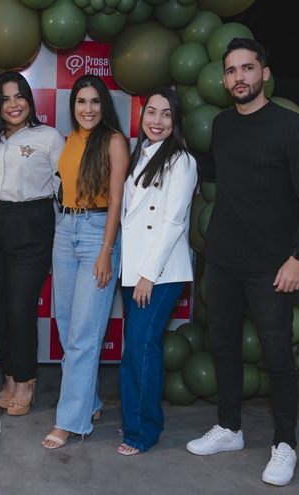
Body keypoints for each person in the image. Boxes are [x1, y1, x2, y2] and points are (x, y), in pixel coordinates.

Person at [185, 38, 299, 486]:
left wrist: (298, 256)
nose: (238, 77)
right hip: (223, 260)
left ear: (264, 73)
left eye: (247, 68)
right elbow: (222, 175)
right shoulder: (223, 125)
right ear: (224, 79)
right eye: (231, 70)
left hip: (272, 265)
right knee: (223, 346)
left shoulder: (291, 127)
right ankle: (229, 428)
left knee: (278, 356)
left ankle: (285, 444)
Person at [42, 75, 128, 449]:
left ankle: (70, 422)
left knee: (82, 334)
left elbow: (117, 199)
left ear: (103, 105)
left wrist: (106, 249)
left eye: (94, 101)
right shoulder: (70, 140)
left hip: (97, 233)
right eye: (81, 101)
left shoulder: (114, 141)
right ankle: (89, 403)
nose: (88, 109)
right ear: (73, 105)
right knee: (67, 329)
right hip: (65, 230)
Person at [0, 72, 65, 416]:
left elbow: (64, 188)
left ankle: (26, 379)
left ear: (29, 99)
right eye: (5, 98)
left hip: (31, 221)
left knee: (20, 307)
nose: (13, 104)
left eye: (19, 96)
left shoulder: (49, 137)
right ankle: (10, 374)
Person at [116, 87, 197, 456]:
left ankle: (141, 431)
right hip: (133, 268)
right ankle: (137, 415)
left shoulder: (181, 161)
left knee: (142, 347)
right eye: (151, 112)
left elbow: (172, 224)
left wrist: (148, 275)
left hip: (160, 272)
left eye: (166, 113)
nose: (158, 120)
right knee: (136, 348)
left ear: (176, 120)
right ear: (142, 115)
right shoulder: (140, 154)